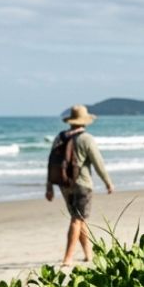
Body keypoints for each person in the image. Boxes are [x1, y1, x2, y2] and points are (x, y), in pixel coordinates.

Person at [45, 104, 113, 267]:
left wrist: (49, 186)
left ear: (70, 121)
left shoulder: (60, 137)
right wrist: (108, 182)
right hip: (83, 185)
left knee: (80, 219)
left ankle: (88, 254)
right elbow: (98, 163)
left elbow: (51, 162)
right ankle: (68, 258)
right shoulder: (86, 139)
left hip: (64, 184)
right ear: (85, 121)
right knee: (77, 219)